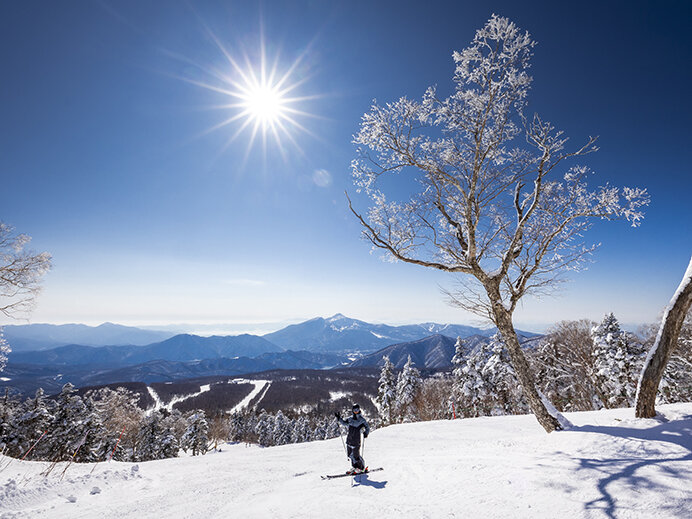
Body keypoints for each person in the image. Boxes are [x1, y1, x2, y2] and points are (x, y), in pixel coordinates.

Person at [335, 403, 370, 474]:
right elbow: (344, 423)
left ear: (359, 410)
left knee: (356, 456)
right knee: (350, 455)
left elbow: (367, 427)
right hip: (349, 440)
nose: (356, 411)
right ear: (352, 410)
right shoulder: (350, 419)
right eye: (354, 410)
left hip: (356, 440)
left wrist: (366, 433)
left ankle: (361, 468)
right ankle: (355, 467)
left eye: (357, 410)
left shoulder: (361, 420)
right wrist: (339, 419)